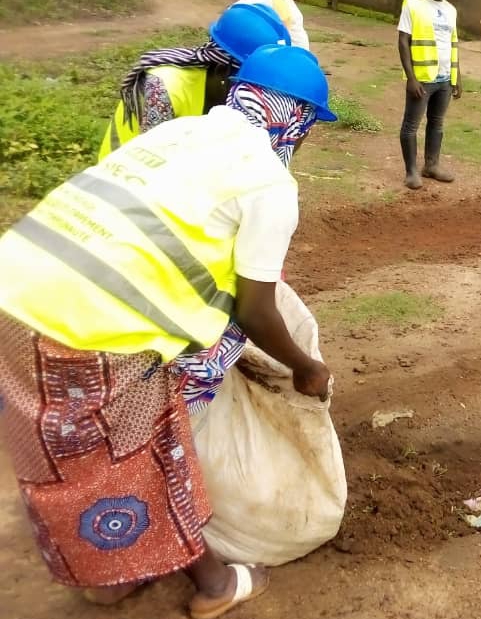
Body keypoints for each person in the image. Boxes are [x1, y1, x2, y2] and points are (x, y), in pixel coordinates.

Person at [0, 44, 337, 618]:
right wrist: (306, 367)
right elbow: (257, 309)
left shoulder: (178, 132)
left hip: (14, 288)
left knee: (66, 459)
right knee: (148, 452)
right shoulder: (269, 183)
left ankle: (110, 578)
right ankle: (215, 583)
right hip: (88, 325)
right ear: (297, 120)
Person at [98, 3, 291, 161]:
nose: (258, 97)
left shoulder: (227, 96)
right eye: (252, 87)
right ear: (222, 70)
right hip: (117, 183)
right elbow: (151, 167)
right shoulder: (163, 88)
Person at [397, 0, 461, 189]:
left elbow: (453, 43)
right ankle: (411, 172)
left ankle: (431, 166)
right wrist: (411, 77)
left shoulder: (451, 10)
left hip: (444, 79)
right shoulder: (412, 4)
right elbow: (403, 41)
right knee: (411, 126)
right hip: (422, 78)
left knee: (437, 123)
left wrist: (457, 77)